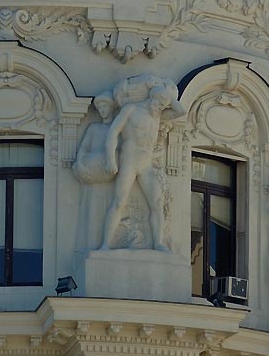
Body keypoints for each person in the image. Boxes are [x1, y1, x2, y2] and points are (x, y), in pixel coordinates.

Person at [99, 76, 185, 252]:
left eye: (163, 106)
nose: (160, 108)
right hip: (129, 162)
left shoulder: (158, 116)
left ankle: (158, 243)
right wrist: (110, 159)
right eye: (159, 104)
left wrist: (169, 94)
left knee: (157, 203)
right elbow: (113, 132)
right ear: (152, 98)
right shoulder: (131, 110)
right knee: (119, 201)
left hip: (146, 166)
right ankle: (105, 244)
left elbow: (181, 111)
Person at [73, 92, 116, 252]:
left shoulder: (116, 129)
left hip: (108, 177)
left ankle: (108, 243)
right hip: (92, 176)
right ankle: (91, 246)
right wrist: (81, 164)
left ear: (112, 107)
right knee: (92, 213)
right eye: (100, 108)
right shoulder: (93, 128)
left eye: (105, 107)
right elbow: (83, 149)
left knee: (109, 211)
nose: (102, 110)